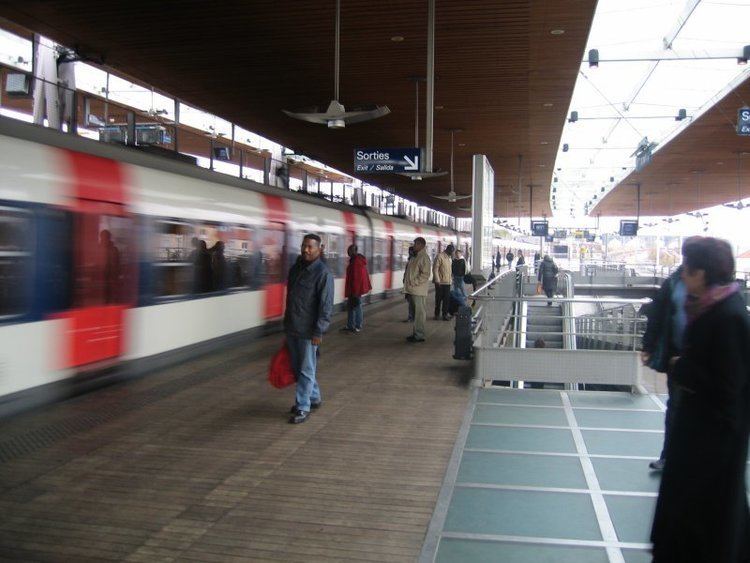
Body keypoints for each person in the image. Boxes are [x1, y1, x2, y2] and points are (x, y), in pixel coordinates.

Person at [650, 237, 750, 562]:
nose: (683, 275)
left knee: (704, 513)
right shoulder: (717, 307)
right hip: (707, 434)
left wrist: (682, 369)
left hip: (712, 439)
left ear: (701, 272)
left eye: (687, 269)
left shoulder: (727, 316)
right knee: (709, 512)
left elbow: (727, 386)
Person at [641, 237, 698, 472]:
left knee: (696, 412)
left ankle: (692, 459)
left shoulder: (717, 294)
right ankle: (669, 457)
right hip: (678, 358)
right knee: (675, 408)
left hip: (700, 360)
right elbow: (658, 313)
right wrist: (648, 345)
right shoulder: (674, 282)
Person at [284, 234, 334, 424]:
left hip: (308, 330)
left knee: (306, 369)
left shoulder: (323, 273)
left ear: (319, 249)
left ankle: (303, 406)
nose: (306, 250)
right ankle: (314, 397)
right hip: (293, 326)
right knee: (299, 368)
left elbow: (326, 306)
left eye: (310, 247)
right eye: (304, 246)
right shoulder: (296, 269)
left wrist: (318, 331)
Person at [403, 237, 431, 342]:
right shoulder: (415, 256)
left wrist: (413, 282)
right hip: (413, 290)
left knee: (419, 313)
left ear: (421, 245)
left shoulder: (423, 257)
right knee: (416, 313)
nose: (413, 246)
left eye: (415, 244)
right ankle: (416, 333)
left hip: (418, 290)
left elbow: (425, 274)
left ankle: (419, 335)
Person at [342, 244, 371, 333]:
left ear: (354, 251)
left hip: (355, 290)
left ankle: (358, 325)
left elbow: (357, 279)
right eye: (348, 251)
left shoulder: (356, 262)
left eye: (349, 251)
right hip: (353, 289)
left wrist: (355, 292)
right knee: (351, 307)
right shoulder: (354, 260)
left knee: (357, 307)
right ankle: (350, 325)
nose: (348, 253)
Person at [433, 244, 453, 321]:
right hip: (440, 283)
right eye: (451, 251)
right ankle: (437, 314)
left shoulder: (449, 258)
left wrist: (451, 279)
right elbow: (435, 269)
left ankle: (445, 315)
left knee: (446, 300)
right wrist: (437, 280)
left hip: (447, 282)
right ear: (447, 249)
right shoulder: (439, 256)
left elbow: (449, 270)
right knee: (438, 299)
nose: (452, 252)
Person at [100, 229, 120, 304]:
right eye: (102, 237)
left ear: (108, 238)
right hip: (103, 278)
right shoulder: (100, 248)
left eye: (104, 237)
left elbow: (117, 265)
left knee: (109, 297)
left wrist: (116, 278)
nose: (102, 239)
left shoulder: (114, 249)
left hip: (111, 278)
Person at [402, 245, 416, 323]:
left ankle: (411, 317)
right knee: (410, 301)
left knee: (412, 302)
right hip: (408, 284)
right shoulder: (410, 260)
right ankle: (411, 316)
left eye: (410, 251)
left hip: (412, 285)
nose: (409, 253)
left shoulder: (414, 260)